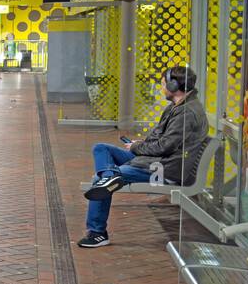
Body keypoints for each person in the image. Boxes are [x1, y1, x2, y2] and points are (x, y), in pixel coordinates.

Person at [79, 66, 208, 248]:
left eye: (163, 84)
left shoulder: (186, 113)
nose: (161, 88)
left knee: (100, 180)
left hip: (163, 169)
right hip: (151, 160)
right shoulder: (177, 107)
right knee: (101, 149)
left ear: (173, 86)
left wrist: (138, 146)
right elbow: (160, 138)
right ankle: (110, 177)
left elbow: (165, 146)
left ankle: (97, 233)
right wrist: (139, 144)